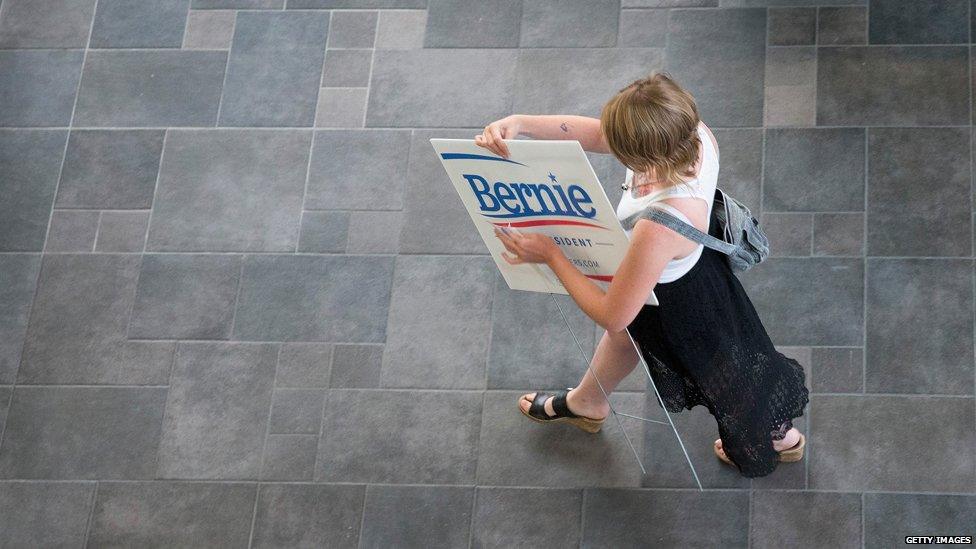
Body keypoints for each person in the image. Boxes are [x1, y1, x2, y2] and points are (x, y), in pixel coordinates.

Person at [475, 71, 810, 478]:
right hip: (683, 269)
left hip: (679, 299)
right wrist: (522, 123)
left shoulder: (661, 223)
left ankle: (778, 436)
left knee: (725, 371)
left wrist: (550, 254)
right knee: (630, 338)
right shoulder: (692, 134)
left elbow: (614, 312)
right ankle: (588, 402)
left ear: (646, 157)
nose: (609, 145)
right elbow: (599, 134)